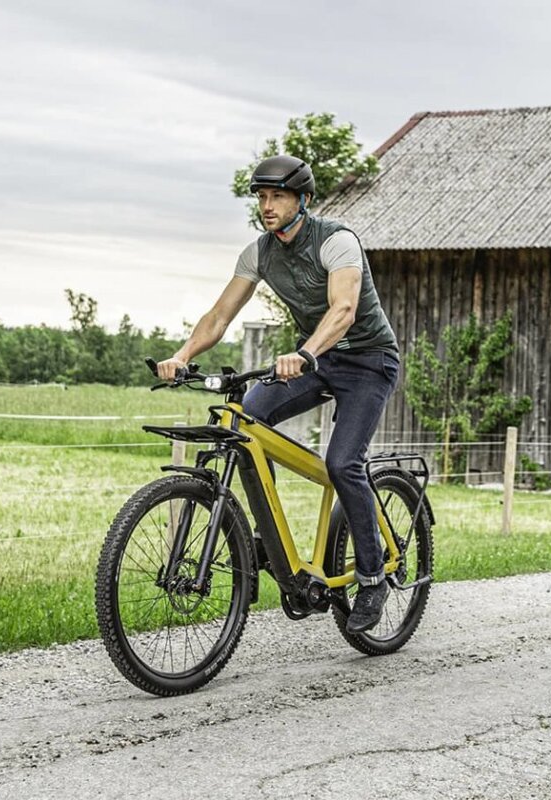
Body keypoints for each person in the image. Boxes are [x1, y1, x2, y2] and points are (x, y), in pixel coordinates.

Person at [156, 154, 401, 634]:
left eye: (278, 197)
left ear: (302, 200)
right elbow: (218, 316)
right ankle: (270, 536)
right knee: (245, 419)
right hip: (316, 359)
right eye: (262, 197)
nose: (267, 206)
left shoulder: (336, 241)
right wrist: (183, 353)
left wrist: (305, 354)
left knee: (342, 463)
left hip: (368, 361)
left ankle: (372, 578)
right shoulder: (259, 253)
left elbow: (344, 309)